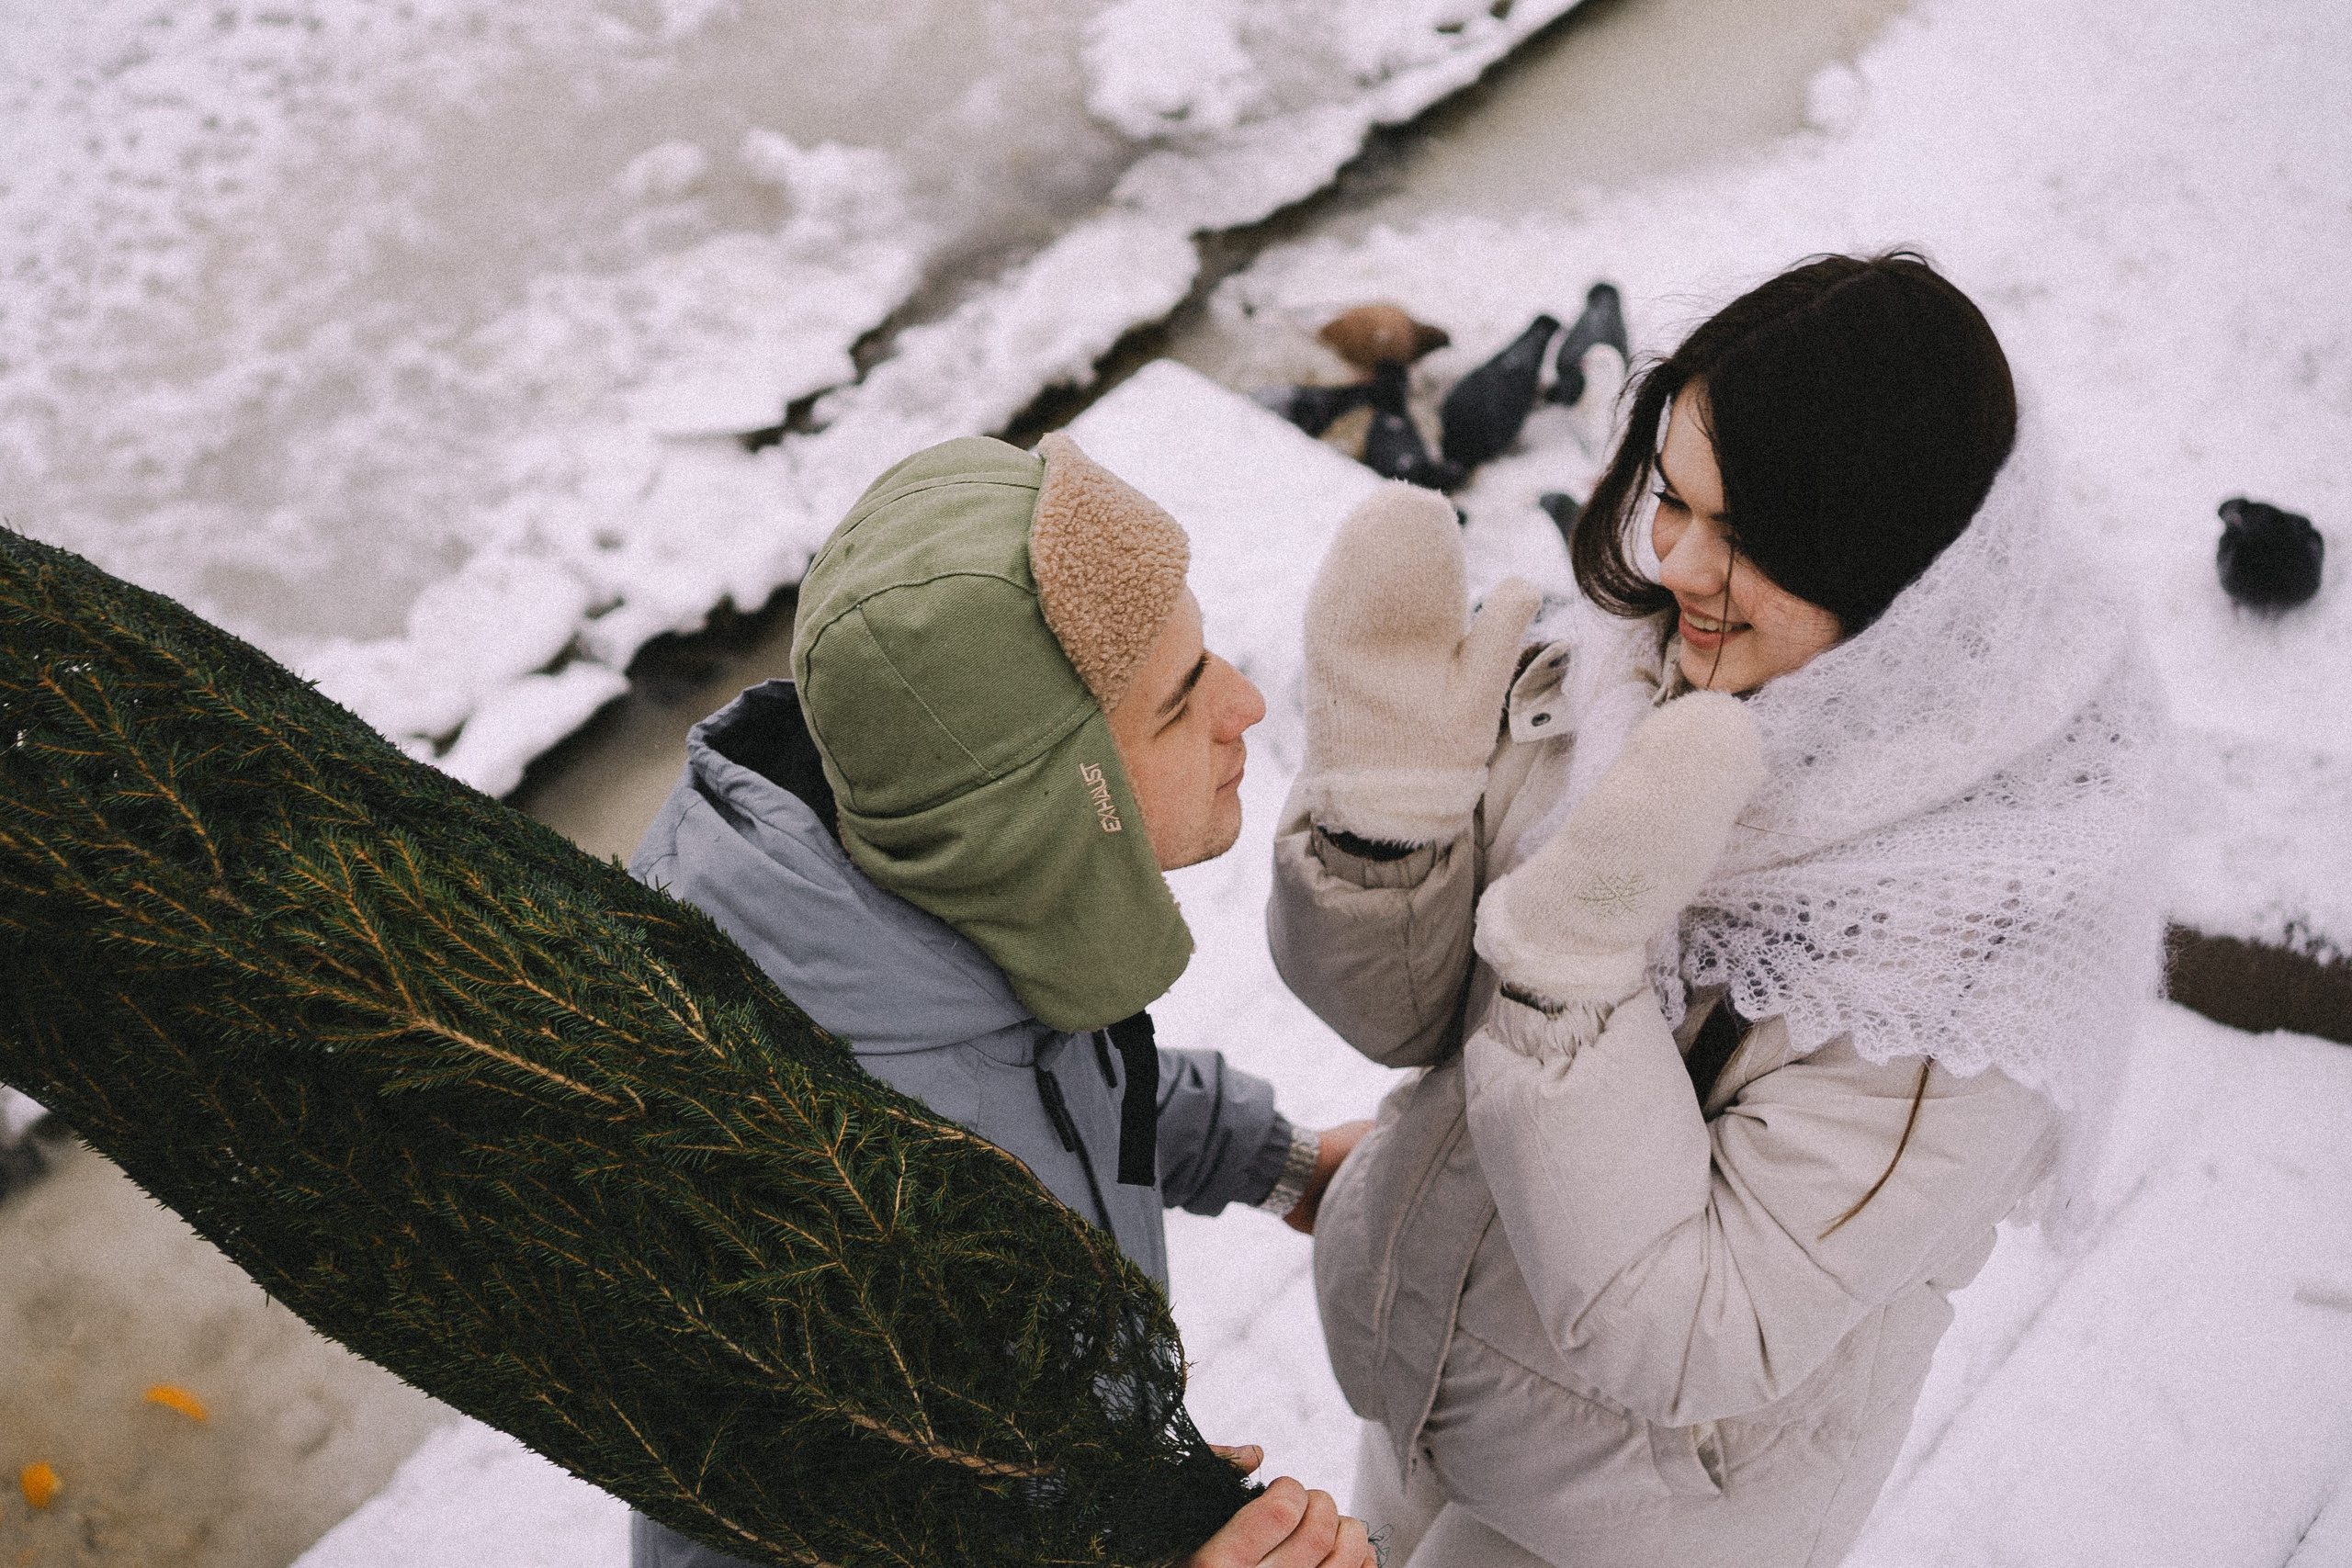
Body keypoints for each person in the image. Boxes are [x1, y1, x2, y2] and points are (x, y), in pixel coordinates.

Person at [1269, 253, 2166, 1567]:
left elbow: (1696, 1325)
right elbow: (1405, 1017)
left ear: (1894, 568)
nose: (1674, 559)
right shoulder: (1628, 669)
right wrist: (1382, 823)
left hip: (1640, 1517)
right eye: (1672, 497)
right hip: (1433, 1376)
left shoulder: (1969, 936)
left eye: (1746, 535)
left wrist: (1574, 975)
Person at [627, 432, 1375, 1568]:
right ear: (1048, 810)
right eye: (1179, 704)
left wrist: (1278, 1162)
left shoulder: (923, 893)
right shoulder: (804, 1180)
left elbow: (1059, 1078)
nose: (1249, 704)